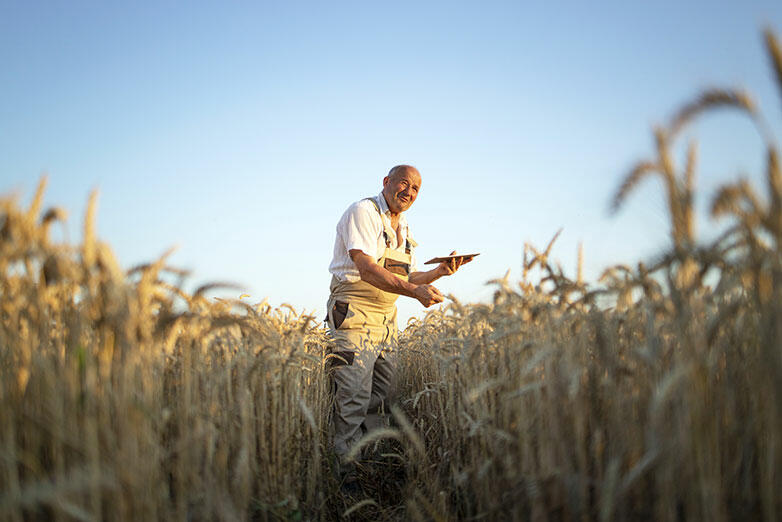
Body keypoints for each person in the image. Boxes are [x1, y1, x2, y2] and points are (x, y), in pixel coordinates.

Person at [325, 164, 473, 489]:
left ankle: (370, 469)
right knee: (352, 395)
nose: (408, 192)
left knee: (380, 396)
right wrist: (414, 292)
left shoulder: (404, 226)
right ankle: (347, 482)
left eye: (416, 189)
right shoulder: (364, 212)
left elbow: (407, 277)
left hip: (386, 318)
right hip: (354, 312)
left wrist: (440, 273)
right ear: (386, 182)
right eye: (403, 183)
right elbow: (365, 268)